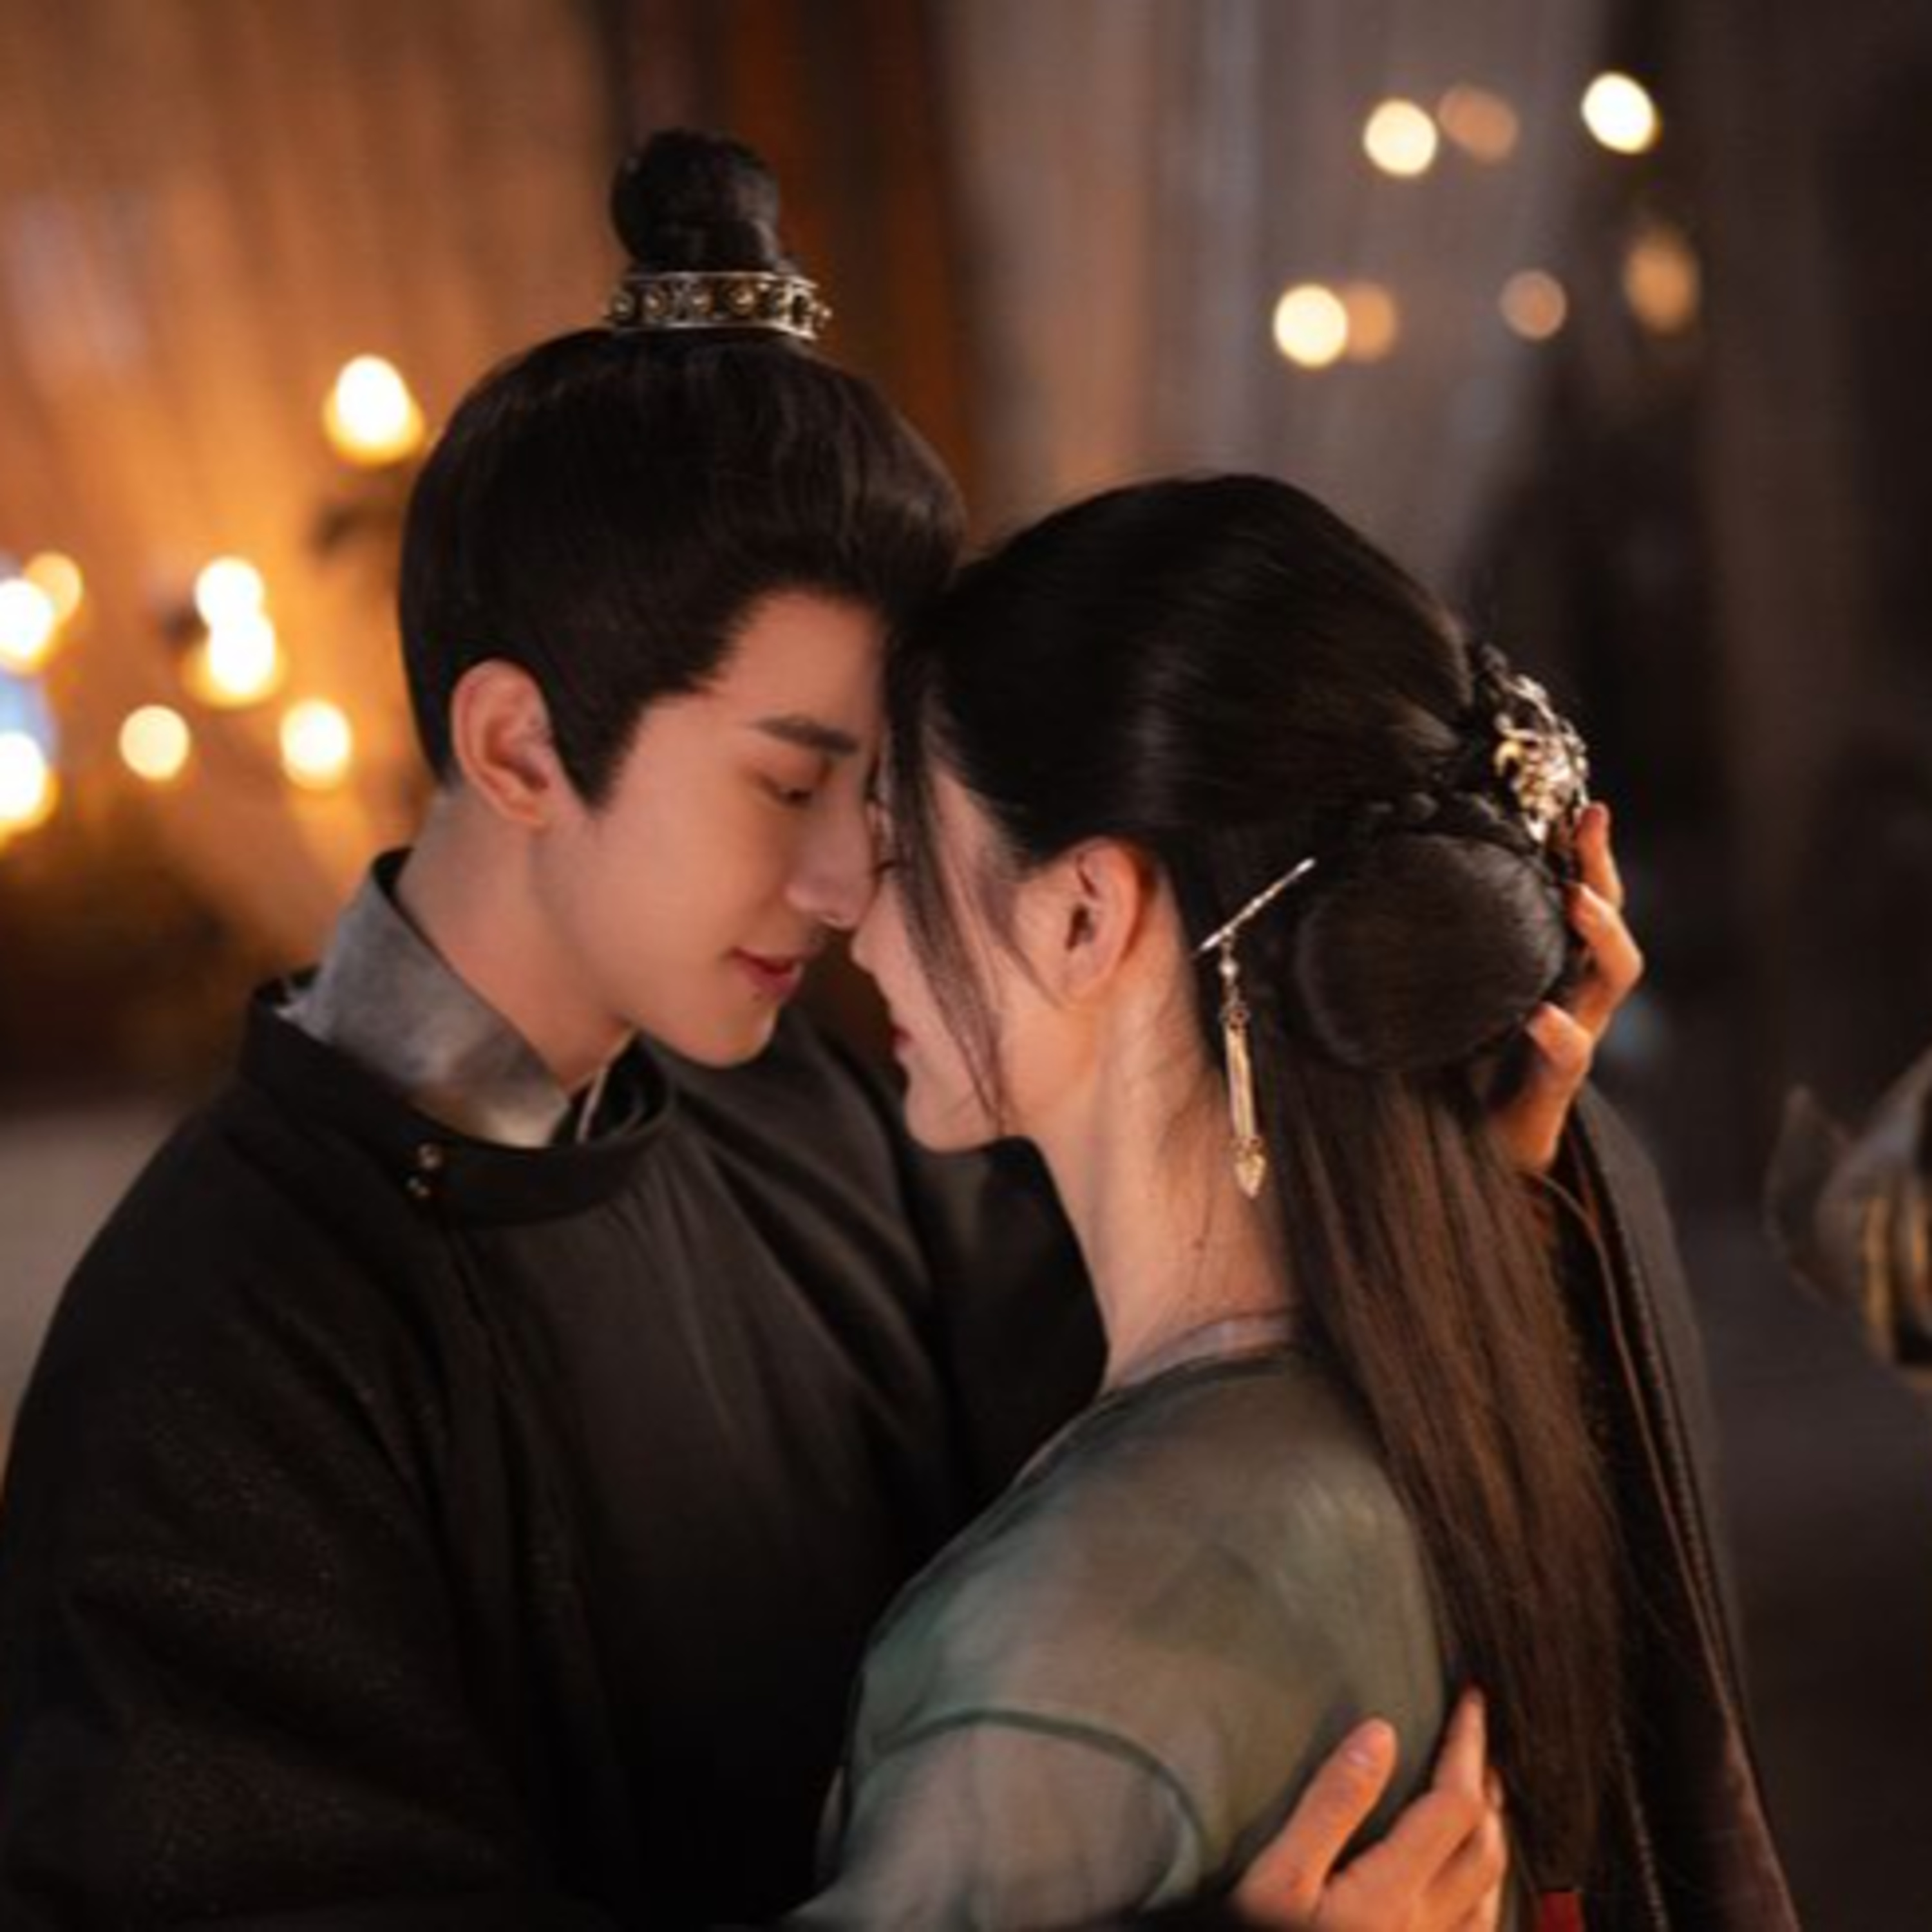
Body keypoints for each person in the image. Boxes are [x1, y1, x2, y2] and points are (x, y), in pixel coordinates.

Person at [0, 136, 1615, 1929]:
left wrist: (1412, 1110)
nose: (857, 883)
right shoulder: (211, 1349)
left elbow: (1174, 1457)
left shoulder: (809, 1117)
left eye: (884, 795)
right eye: (791, 782)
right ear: (519, 747)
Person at [762, 473, 1798, 1930]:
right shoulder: (1477, 1379)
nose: (854, 920)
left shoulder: (1085, 1628)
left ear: (1084, 915)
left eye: (899, 849)